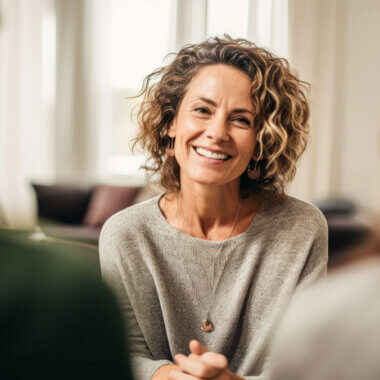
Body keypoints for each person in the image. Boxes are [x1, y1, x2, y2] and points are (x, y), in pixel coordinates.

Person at [99, 35, 328, 380]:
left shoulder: (302, 228)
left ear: (260, 142)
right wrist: (170, 376)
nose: (217, 132)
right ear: (171, 123)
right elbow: (123, 353)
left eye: (241, 120)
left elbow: (305, 363)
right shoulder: (126, 234)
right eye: (202, 111)